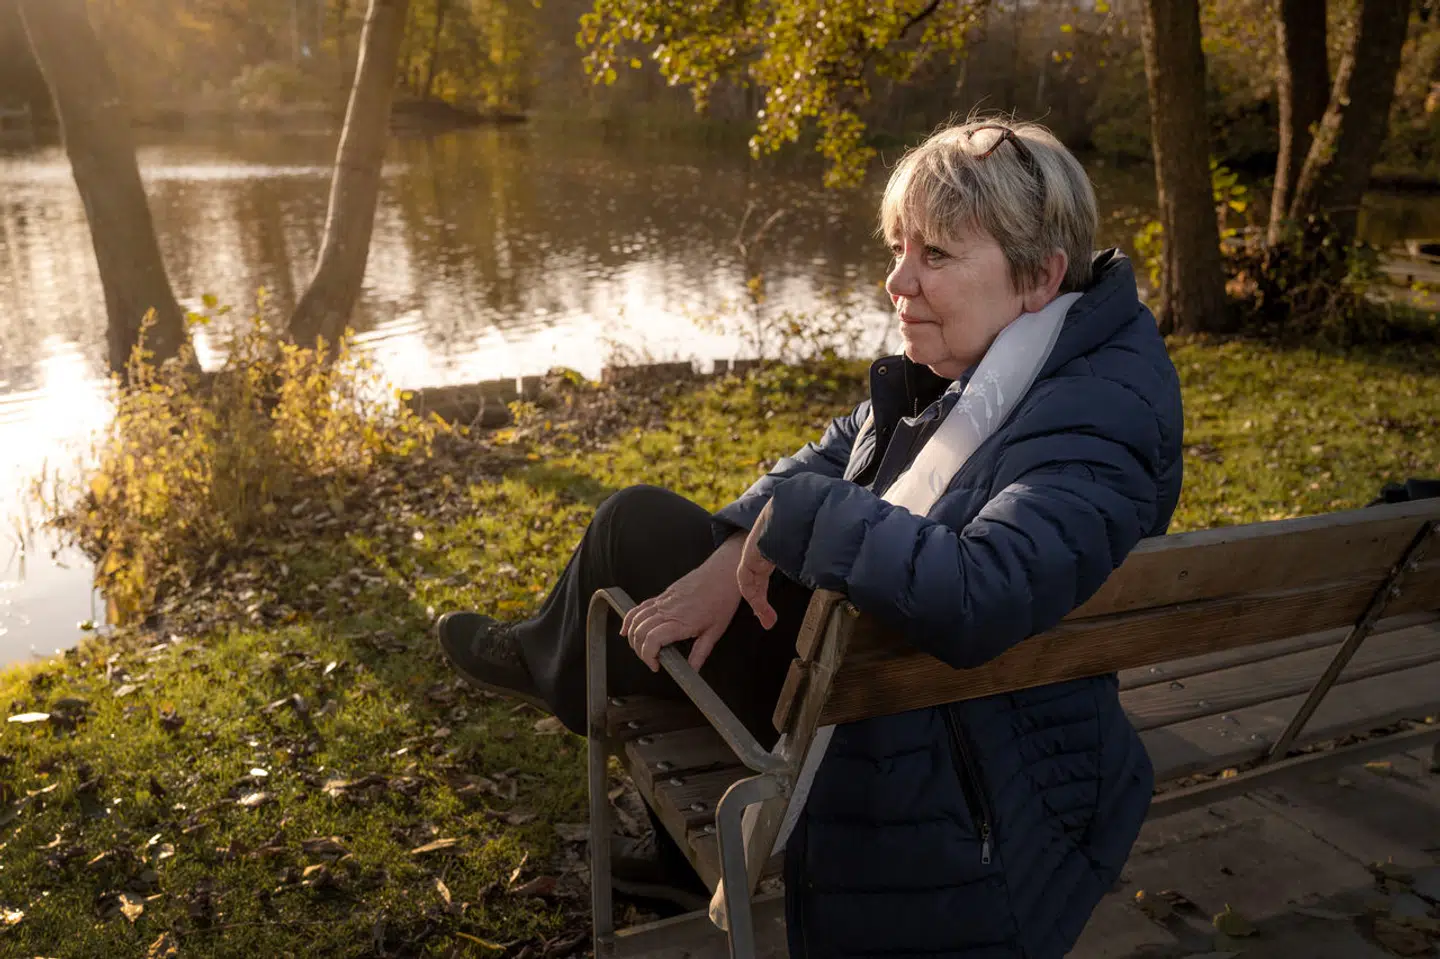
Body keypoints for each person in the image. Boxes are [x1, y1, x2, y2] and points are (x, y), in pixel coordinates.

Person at [435, 117, 1184, 958]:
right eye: (899, 247)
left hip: (938, 745)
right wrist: (736, 548)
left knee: (630, 549)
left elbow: (986, 585)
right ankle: (582, 698)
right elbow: (838, 447)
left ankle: (557, 669)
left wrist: (795, 520)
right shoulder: (1009, 365)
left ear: (1040, 274)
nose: (897, 280)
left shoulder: (1092, 416)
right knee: (649, 540)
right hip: (897, 682)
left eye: (936, 254)